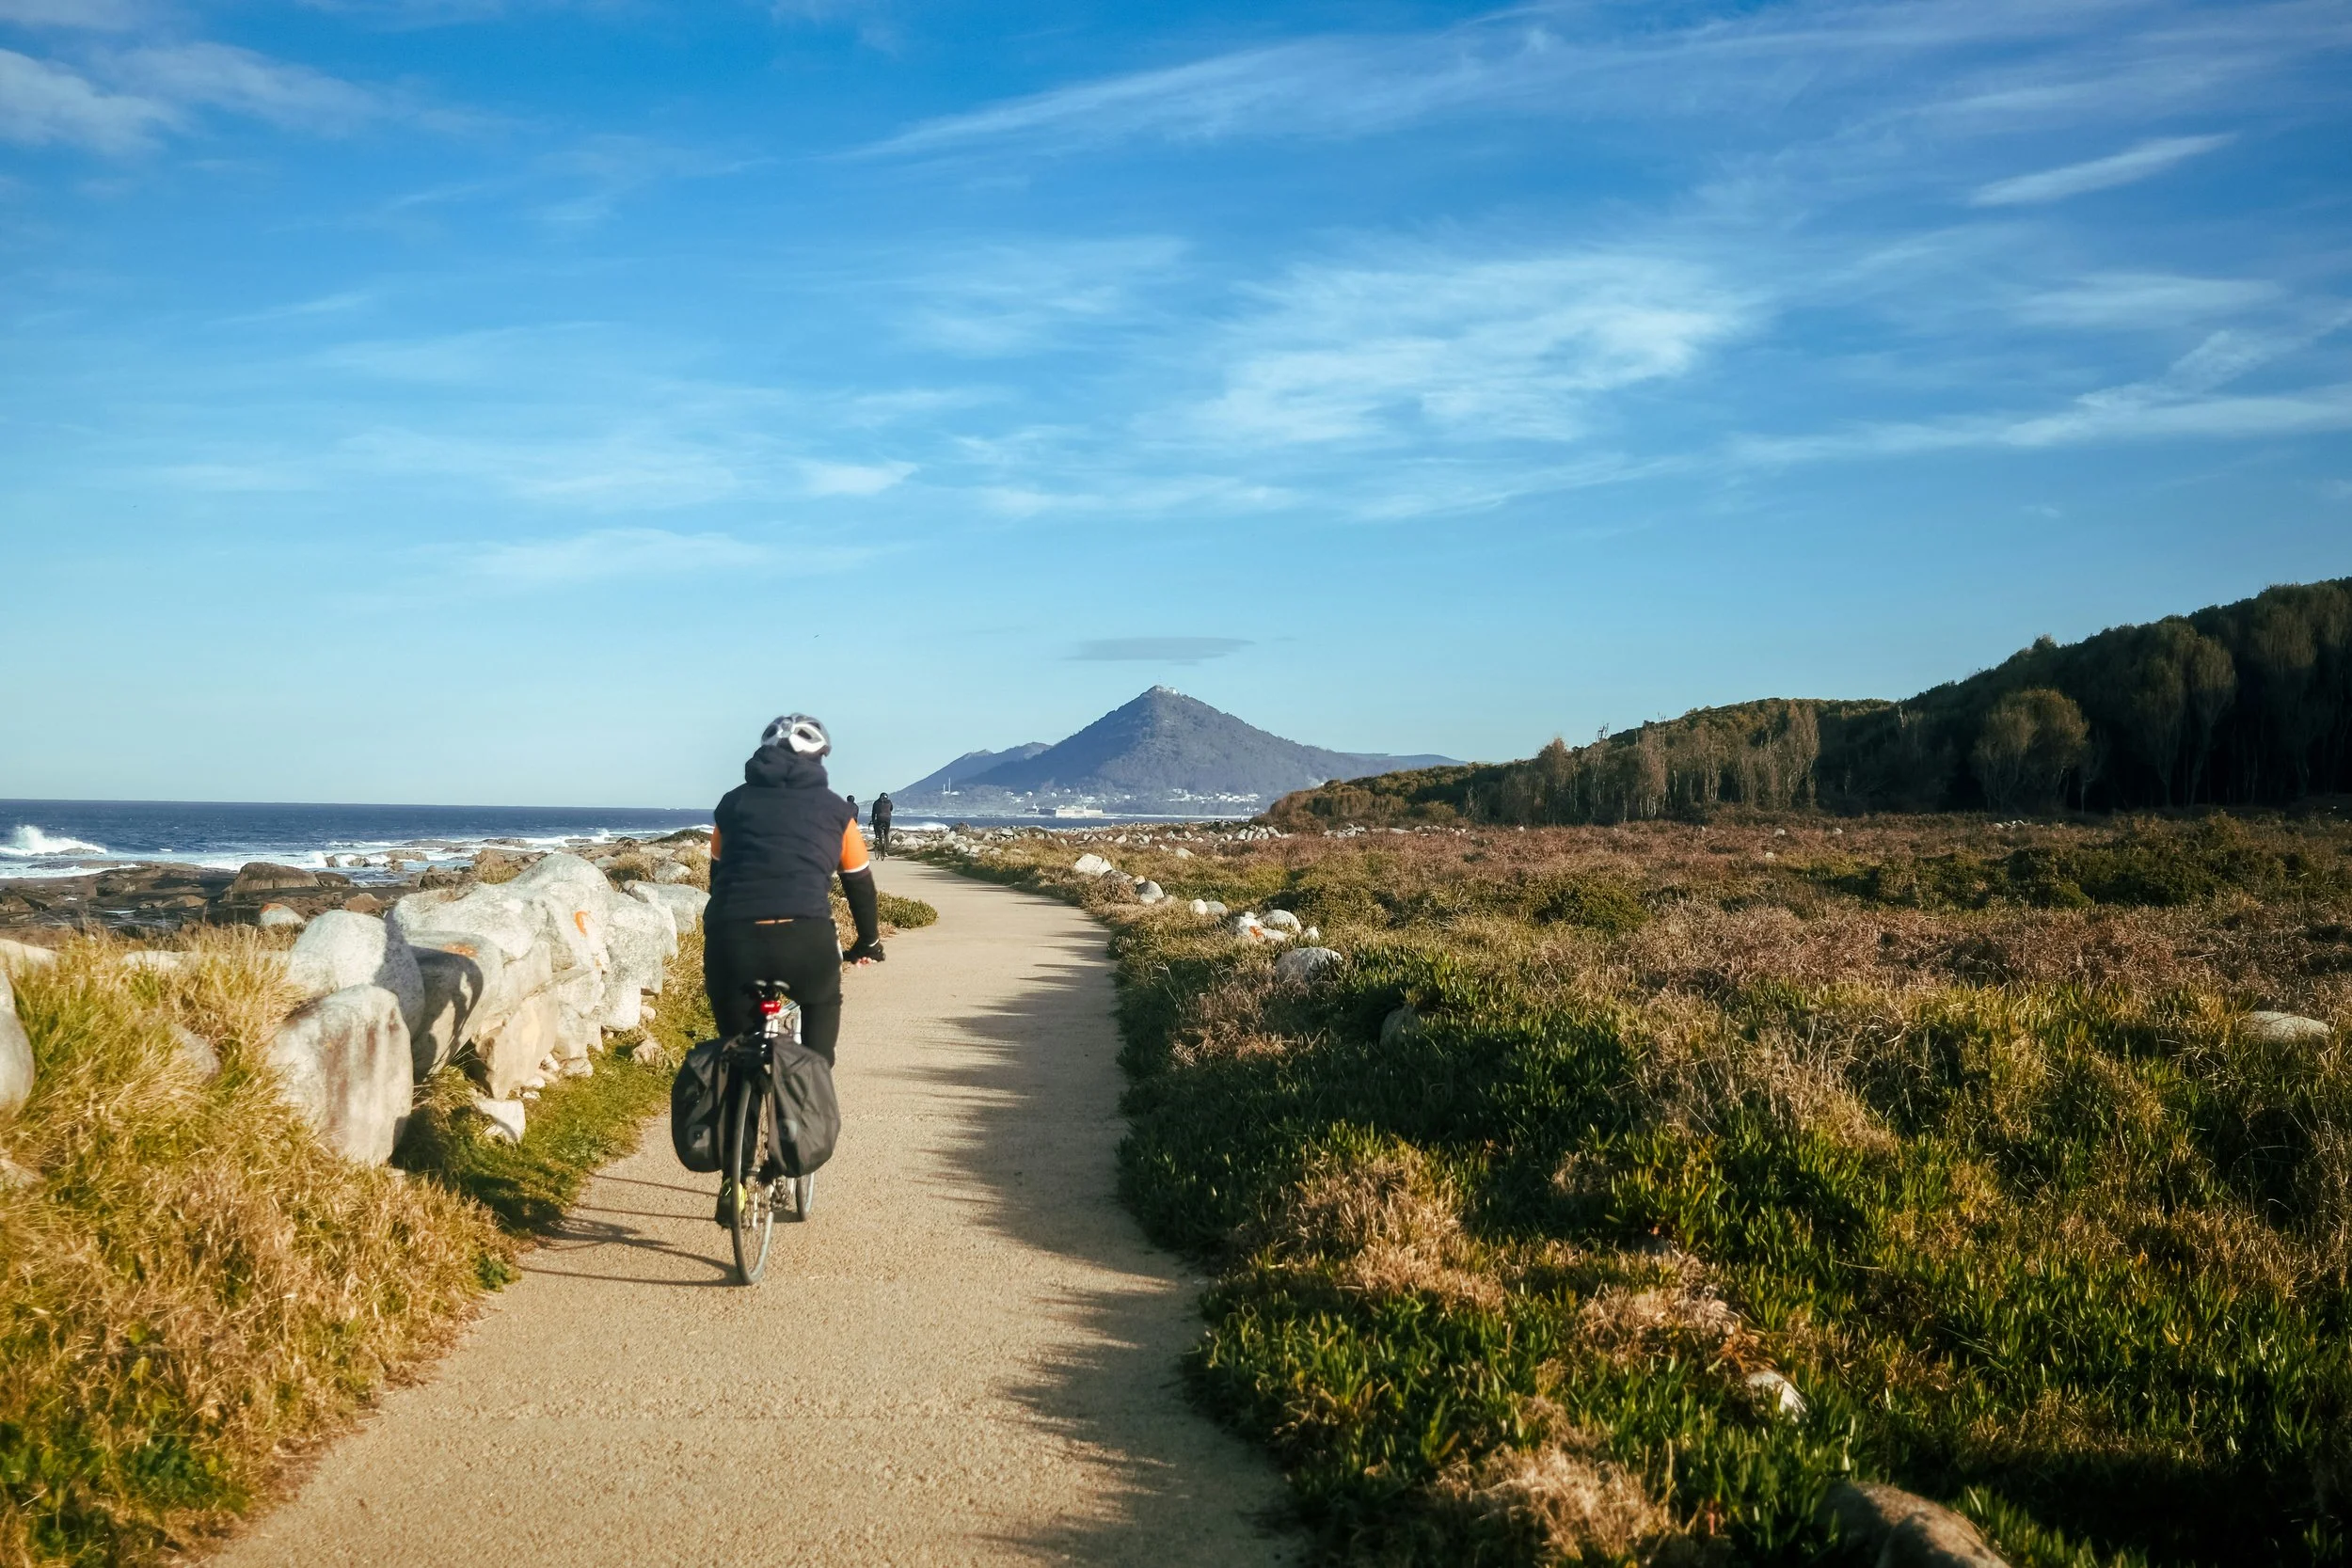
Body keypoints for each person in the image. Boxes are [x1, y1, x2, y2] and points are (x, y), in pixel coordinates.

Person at [704, 714, 883, 1069]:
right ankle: (808, 1098)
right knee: (819, 1029)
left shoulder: (731, 805)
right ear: (819, 758)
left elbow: (717, 877)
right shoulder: (838, 811)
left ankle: (736, 1111)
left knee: (738, 1056)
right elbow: (859, 883)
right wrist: (869, 942)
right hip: (805, 939)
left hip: (733, 940)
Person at [871, 791, 894, 859]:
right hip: (887, 819)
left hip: (879, 818)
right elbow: (891, 809)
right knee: (886, 834)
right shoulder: (889, 802)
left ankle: (877, 837)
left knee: (877, 827)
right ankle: (886, 850)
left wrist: (873, 820)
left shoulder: (876, 802)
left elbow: (873, 813)